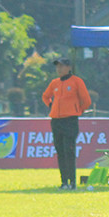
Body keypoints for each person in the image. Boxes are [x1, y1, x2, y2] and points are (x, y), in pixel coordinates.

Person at [41, 57, 92, 190]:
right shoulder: (55, 83)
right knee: (60, 151)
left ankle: (72, 182)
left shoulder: (76, 81)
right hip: (56, 121)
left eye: (62, 66)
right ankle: (64, 182)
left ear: (69, 68)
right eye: (57, 66)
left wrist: (77, 111)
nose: (59, 69)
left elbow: (86, 100)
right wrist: (51, 105)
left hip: (70, 120)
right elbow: (45, 96)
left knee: (69, 151)